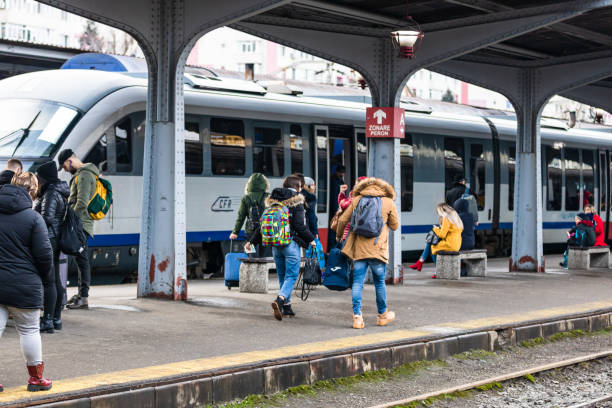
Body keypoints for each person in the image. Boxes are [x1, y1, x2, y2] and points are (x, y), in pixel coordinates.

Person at [0, 172, 53, 391]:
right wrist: (44, 277)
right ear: (32, 191)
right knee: (29, 330)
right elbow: (44, 255)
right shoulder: (33, 218)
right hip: (24, 284)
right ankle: (36, 379)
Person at [245, 175, 315, 321]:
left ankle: (287, 307)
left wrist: (251, 241)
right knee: (291, 276)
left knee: (283, 275)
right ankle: (280, 300)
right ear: (298, 187)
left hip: (275, 245)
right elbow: (300, 226)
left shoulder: (273, 201)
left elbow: (262, 225)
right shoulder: (297, 201)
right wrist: (311, 239)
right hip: (291, 243)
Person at [336, 177, 399, 329]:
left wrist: (339, 236)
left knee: (357, 282)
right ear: (383, 189)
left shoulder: (357, 199)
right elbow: (395, 226)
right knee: (379, 282)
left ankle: (357, 318)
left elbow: (343, 220)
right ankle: (382, 316)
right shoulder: (388, 202)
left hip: (360, 251)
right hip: (378, 250)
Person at [57, 149, 99, 310]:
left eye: (65, 166)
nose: (66, 170)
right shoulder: (84, 174)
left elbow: (81, 202)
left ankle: (84, 298)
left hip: (80, 224)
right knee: (81, 260)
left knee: (82, 260)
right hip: (80, 223)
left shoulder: (83, 175)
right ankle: (81, 295)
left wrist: (69, 220)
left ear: (70, 161)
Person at [34, 161, 69, 333]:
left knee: (50, 281)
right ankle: (56, 318)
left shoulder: (51, 192)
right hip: (56, 238)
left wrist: (32, 218)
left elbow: (46, 217)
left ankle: (48, 319)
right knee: (55, 280)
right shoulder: (59, 191)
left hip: (50, 239)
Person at [408, 203, 463, 278]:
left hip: (450, 244)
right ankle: (421, 263)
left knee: (432, 247)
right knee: (431, 244)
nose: (438, 214)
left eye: (438, 212)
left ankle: (433, 268)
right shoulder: (454, 216)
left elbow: (442, 235)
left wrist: (435, 229)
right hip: (457, 243)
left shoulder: (446, 218)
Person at [229, 173, 269, 256]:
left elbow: (241, 216)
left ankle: (252, 267)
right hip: (266, 230)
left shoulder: (246, 198)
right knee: (265, 258)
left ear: (249, 184)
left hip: (250, 232)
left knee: (251, 257)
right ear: (265, 184)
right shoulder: (268, 196)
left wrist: (235, 232)